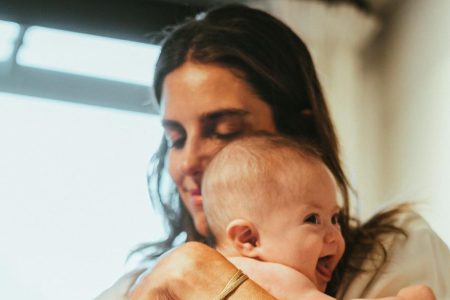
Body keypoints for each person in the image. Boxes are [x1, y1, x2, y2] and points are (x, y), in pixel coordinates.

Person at [95, 4, 450, 300]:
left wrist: (202, 274)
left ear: (298, 132)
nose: (188, 162)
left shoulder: (392, 251)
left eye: (224, 133)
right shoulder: (133, 287)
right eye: (176, 139)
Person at [201, 133, 434, 300]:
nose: (334, 235)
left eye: (334, 218)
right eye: (313, 219)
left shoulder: (205, 273)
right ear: (249, 239)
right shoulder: (266, 276)